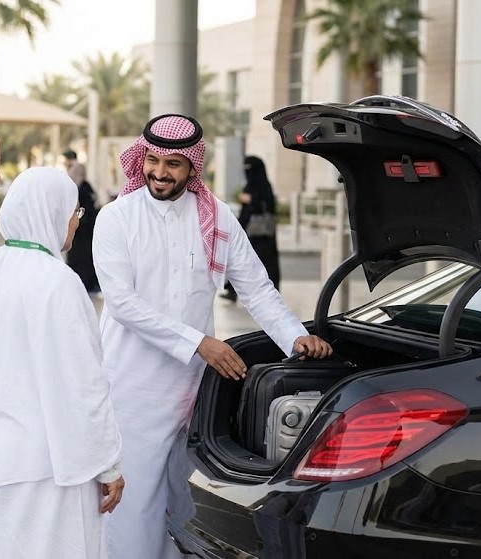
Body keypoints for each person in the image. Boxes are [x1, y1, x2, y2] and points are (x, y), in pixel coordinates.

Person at [93, 114, 333, 559]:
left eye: (173, 164)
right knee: (133, 507)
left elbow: (256, 287)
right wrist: (200, 343)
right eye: (152, 160)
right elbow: (123, 304)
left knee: (188, 505)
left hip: (192, 392)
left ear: (193, 167)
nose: (160, 172)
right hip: (131, 389)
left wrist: (295, 338)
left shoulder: (215, 217)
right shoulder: (116, 217)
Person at [0, 167, 124, 559]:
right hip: (46, 470)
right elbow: (84, 384)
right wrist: (107, 464)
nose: (76, 224)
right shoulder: (57, 281)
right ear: (51, 211)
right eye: (74, 213)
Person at [222, 155, 281, 301]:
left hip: (262, 234)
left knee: (264, 263)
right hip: (248, 230)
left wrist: (251, 200)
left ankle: (270, 293)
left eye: (249, 168)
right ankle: (232, 290)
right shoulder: (250, 185)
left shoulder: (263, 186)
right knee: (239, 260)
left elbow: (267, 207)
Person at [64, 149, 100, 292]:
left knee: (82, 257)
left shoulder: (78, 182)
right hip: (83, 227)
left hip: (83, 227)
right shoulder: (84, 186)